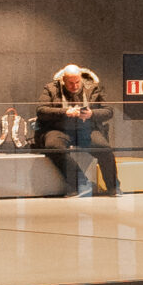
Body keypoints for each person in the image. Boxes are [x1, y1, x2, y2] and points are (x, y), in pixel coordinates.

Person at [34, 62, 120, 196]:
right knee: (53, 147)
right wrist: (65, 112)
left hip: (86, 129)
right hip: (59, 129)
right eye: (70, 83)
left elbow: (108, 111)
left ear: (81, 78)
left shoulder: (94, 88)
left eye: (77, 82)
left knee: (105, 149)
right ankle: (81, 183)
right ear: (63, 80)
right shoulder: (50, 88)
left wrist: (91, 114)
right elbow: (41, 110)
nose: (74, 86)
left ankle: (113, 187)